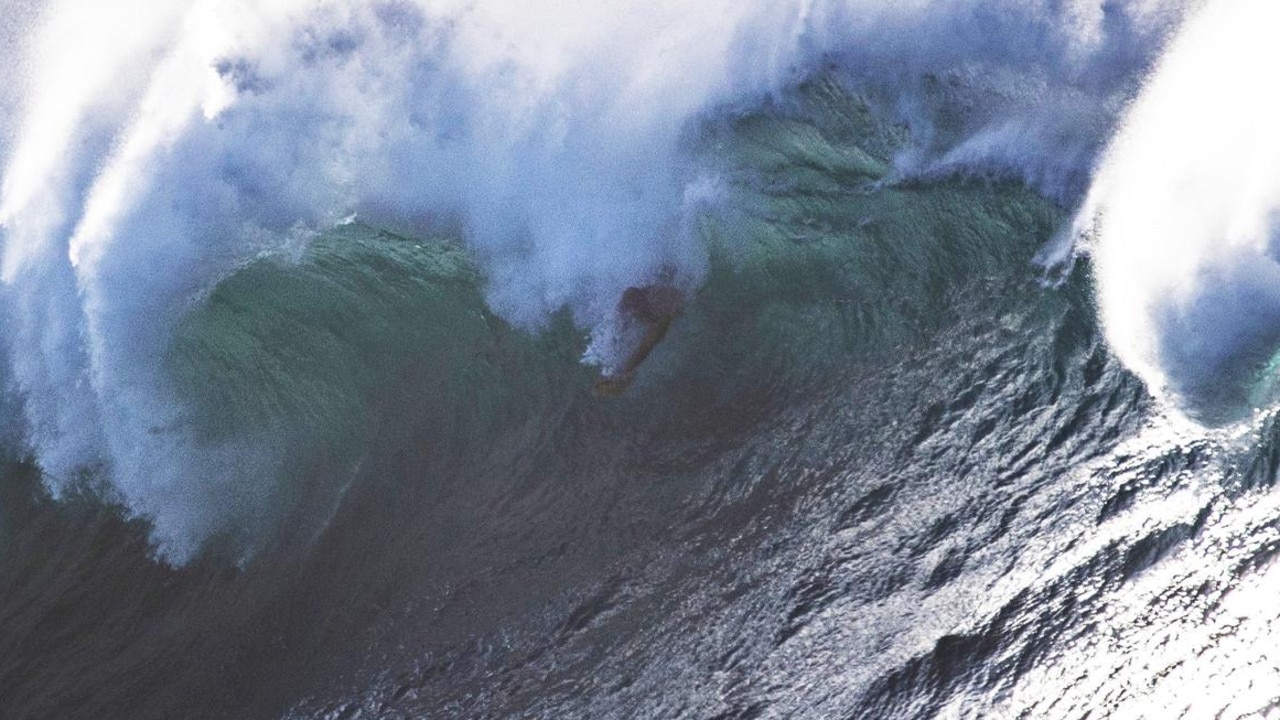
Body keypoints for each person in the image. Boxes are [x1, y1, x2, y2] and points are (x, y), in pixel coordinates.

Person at [593, 284, 685, 396]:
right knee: (627, 304)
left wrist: (623, 374)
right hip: (653, 295)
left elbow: (645, 347)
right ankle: (613, 373)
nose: (632, 315)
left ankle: (619, 375)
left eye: (635, 313)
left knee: (651, 338)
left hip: (672, 304)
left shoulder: (662, 313)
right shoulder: (633, 296)